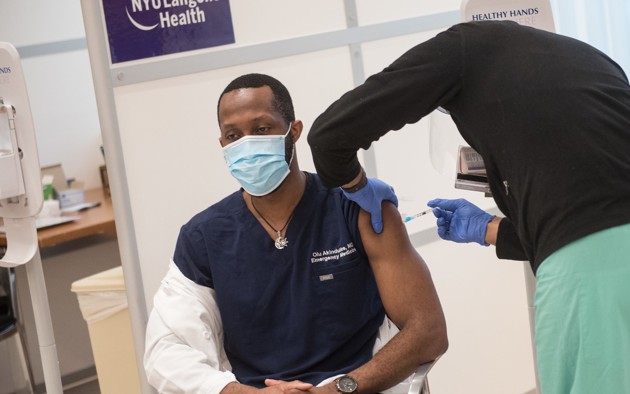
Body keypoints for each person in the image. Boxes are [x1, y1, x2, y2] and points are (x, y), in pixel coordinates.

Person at [308, 21, 630, 394]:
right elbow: (602, 209)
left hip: (596, 265)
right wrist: (489, 229)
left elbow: (330, 134)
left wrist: (356, 185)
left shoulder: (458, 48)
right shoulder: (583, 55)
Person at [143, 73, 447, 394]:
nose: (246, 143)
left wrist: (337, 389)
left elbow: (428, 331)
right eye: (233, 135)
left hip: (355, 388)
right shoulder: (203, 237)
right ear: (223, 145)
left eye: (261, 130)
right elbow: (166, 351)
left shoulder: (357, 210)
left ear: (294, 131)